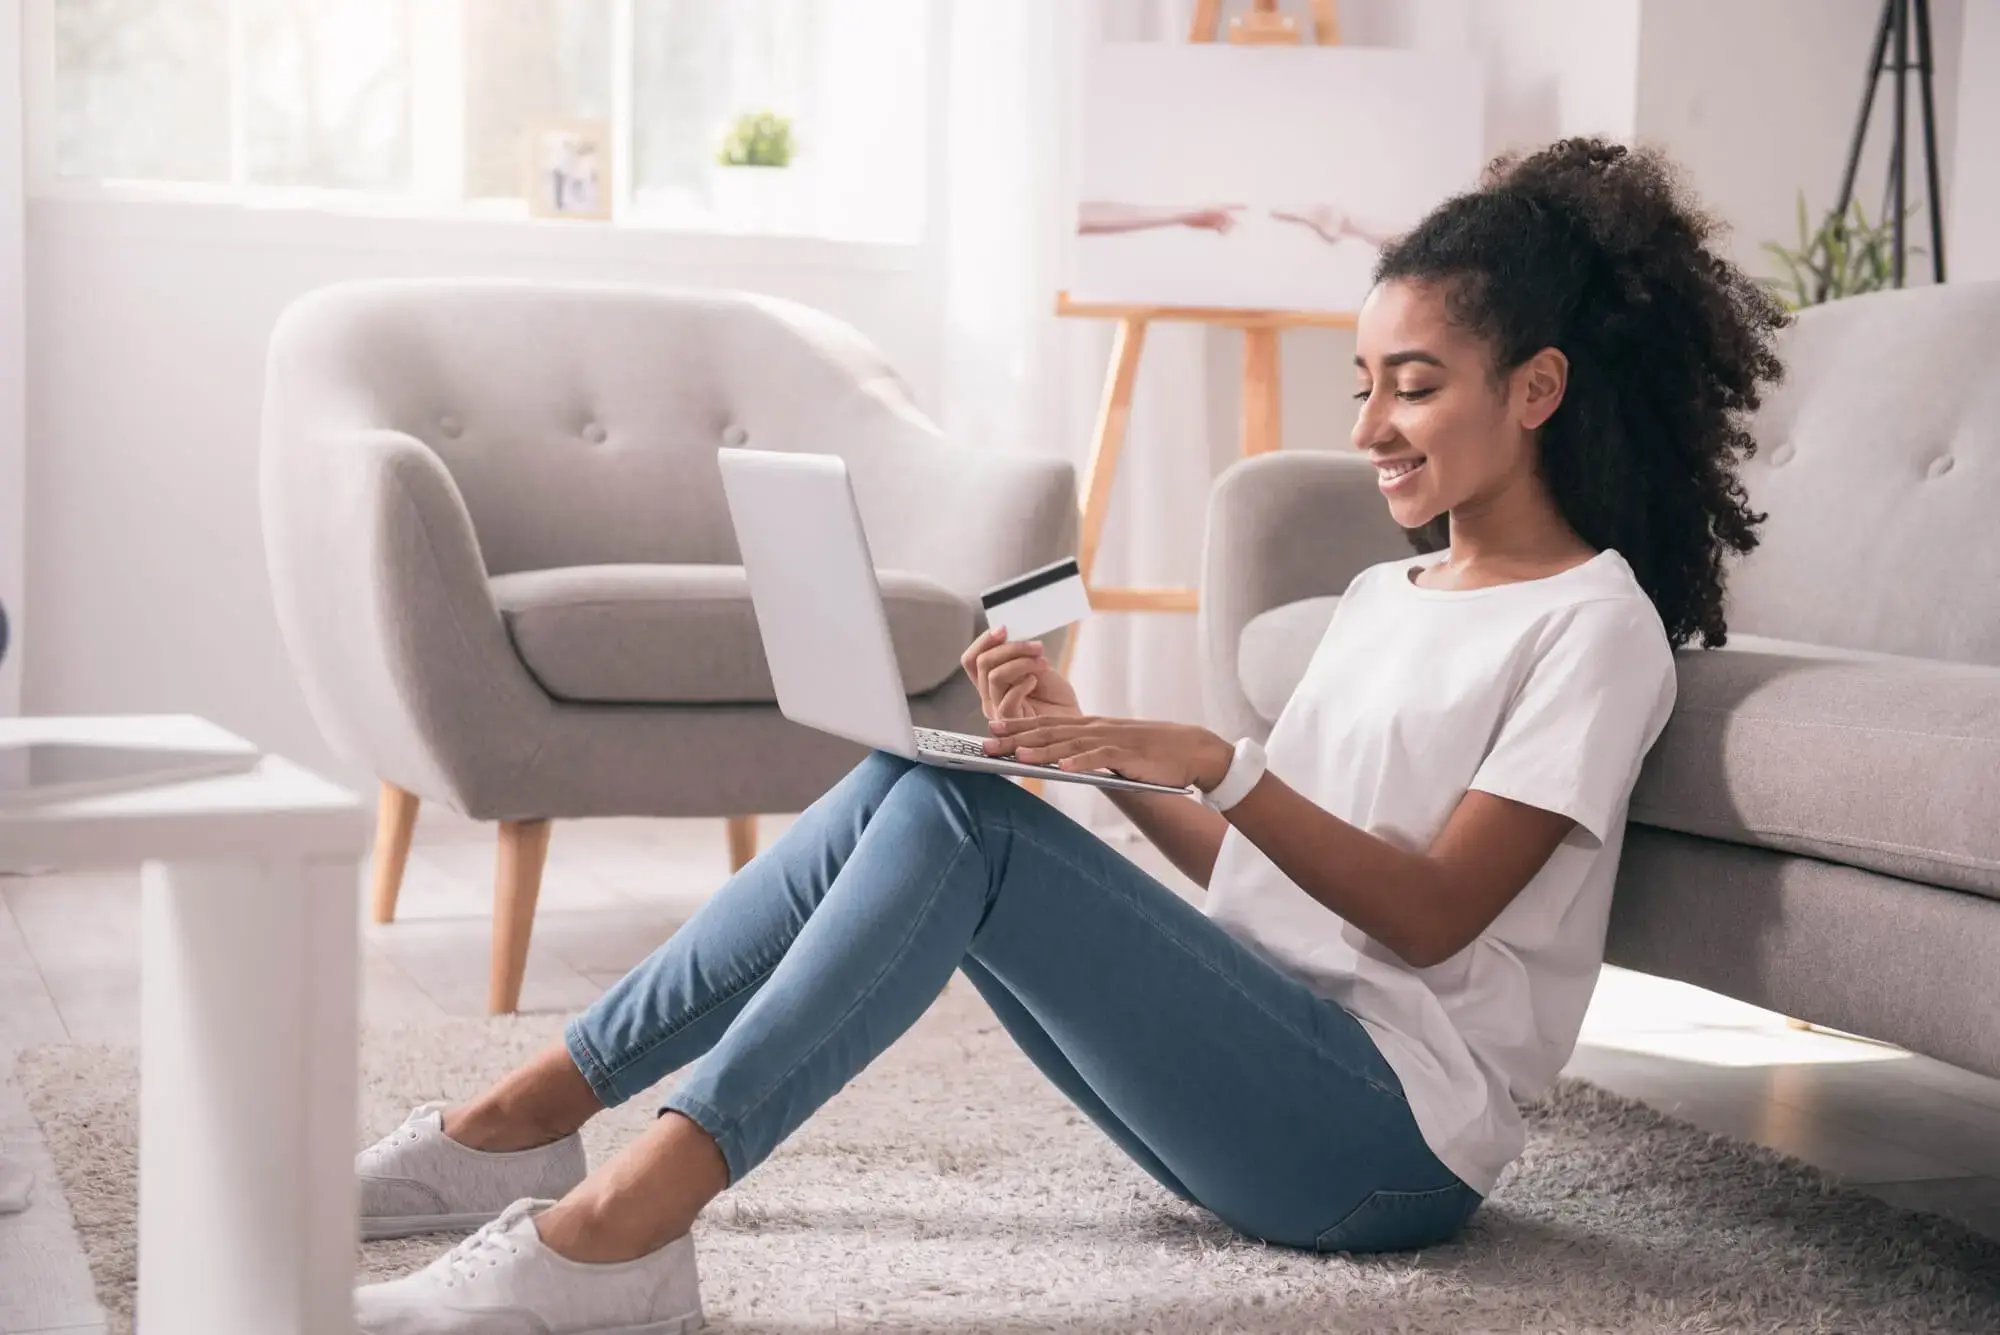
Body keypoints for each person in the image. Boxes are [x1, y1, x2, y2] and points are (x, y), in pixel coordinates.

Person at [351, 136, 1787, 1333]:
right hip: (1268, 1053)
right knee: (914, 781)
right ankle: (528, 1118)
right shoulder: (1381, 590)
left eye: (1413, 385)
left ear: (1536, 390)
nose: (1371, 428)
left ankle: (623, 1228)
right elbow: (1267, 878)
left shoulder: (1594, 629)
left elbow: (1430, 918)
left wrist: (1218, 759)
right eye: (1364, 384)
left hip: (1385, 1150)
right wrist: (1079, 746)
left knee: (957, 822)